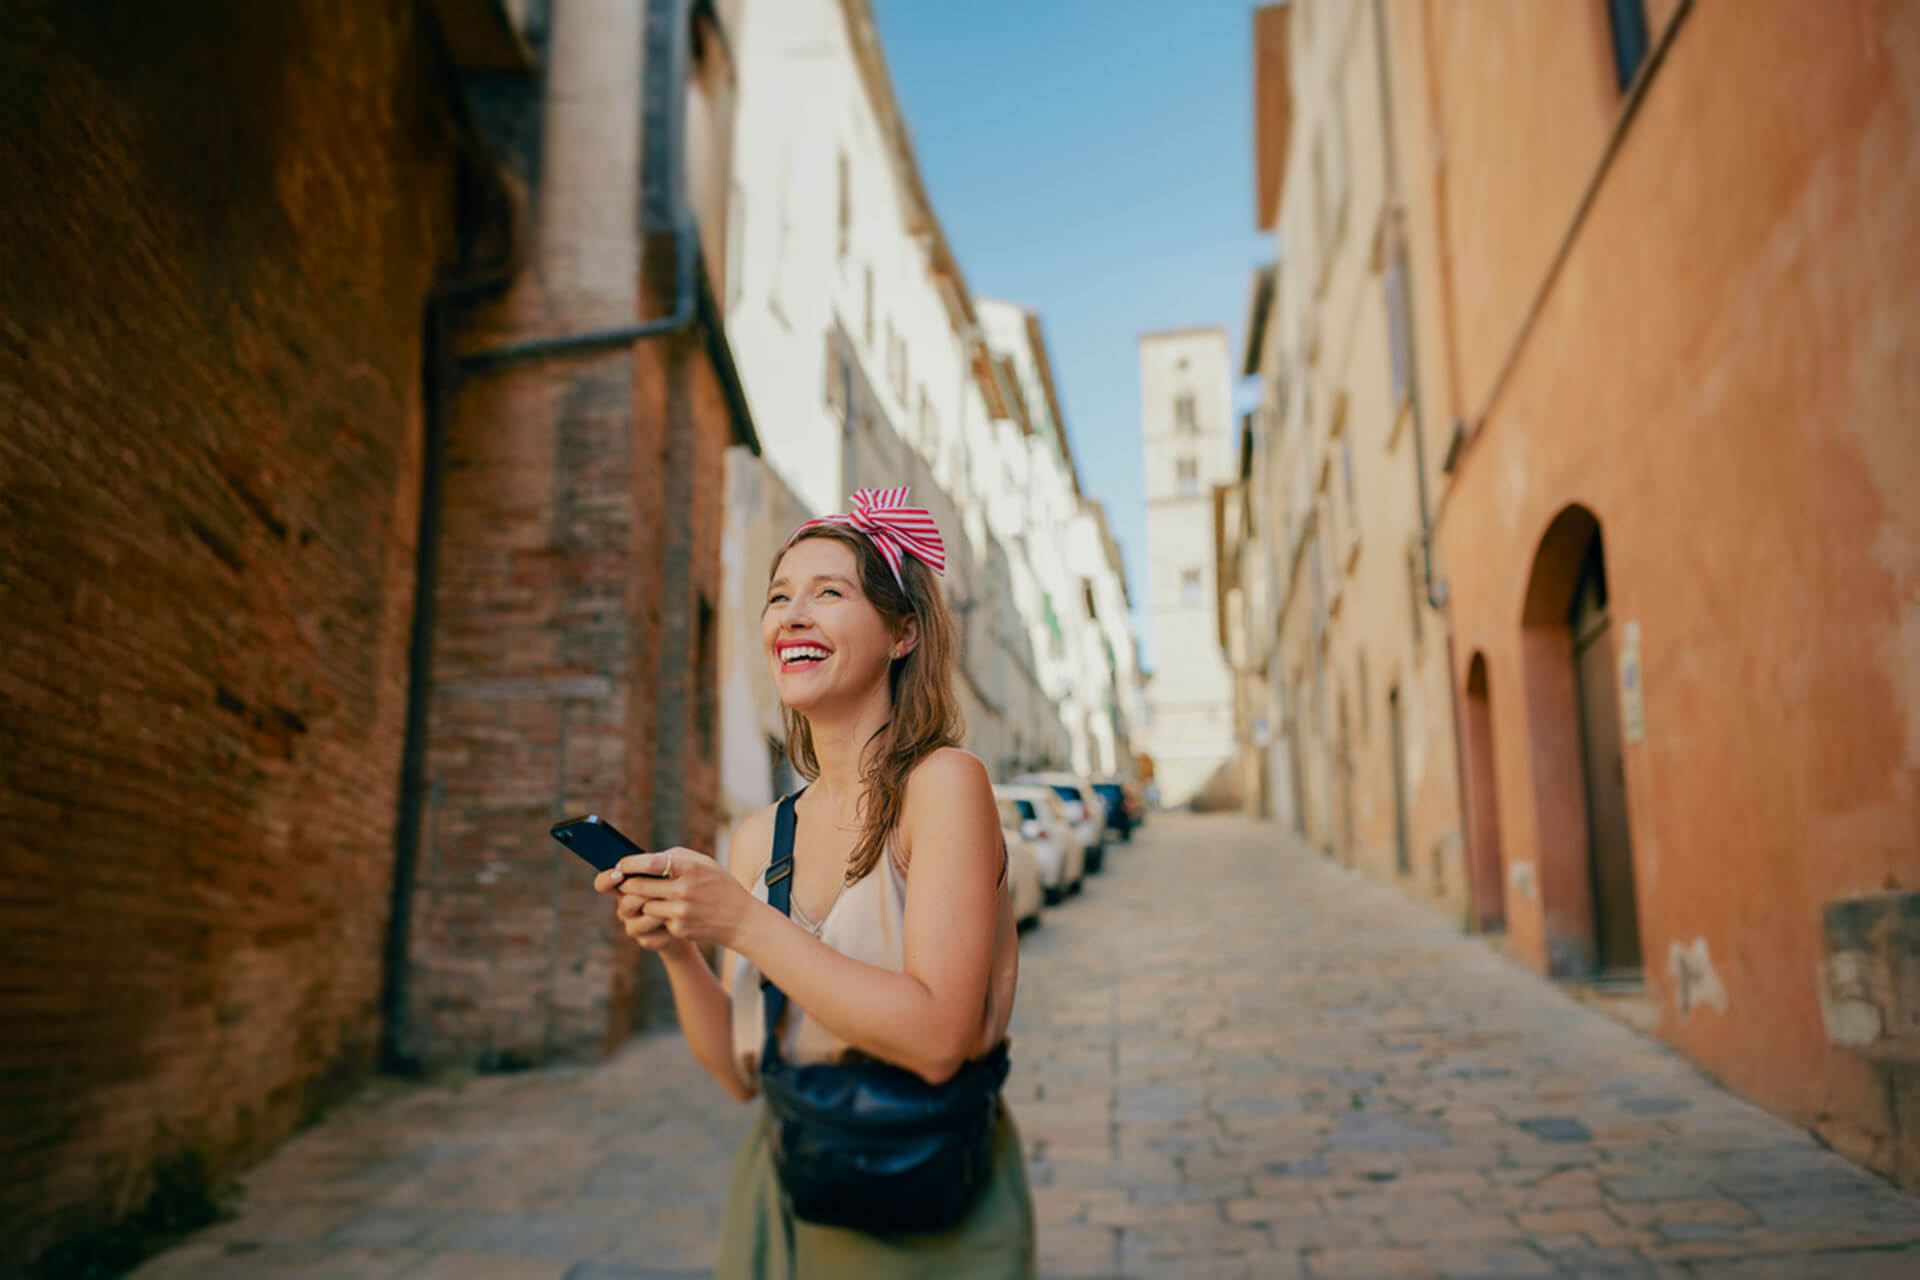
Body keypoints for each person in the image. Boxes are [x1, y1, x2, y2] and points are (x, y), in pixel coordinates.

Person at [593, 488, 1034, 1277]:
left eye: (829, 593)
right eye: (777, 597)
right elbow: (740, 1074)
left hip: (930, 1209)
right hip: (784, 1200)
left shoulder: (945, 787)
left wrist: (743, 922)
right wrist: (678, 949)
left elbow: (937, 1042)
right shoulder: (761, 836)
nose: (792, 615)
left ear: (903, 633)